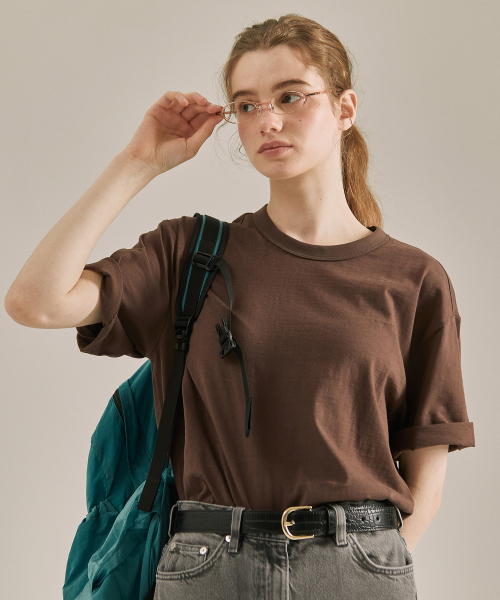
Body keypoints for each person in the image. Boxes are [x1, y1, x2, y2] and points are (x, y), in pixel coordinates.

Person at [5, 13, 475, 600]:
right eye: (247, 105)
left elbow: (426, 478)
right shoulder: (190, 254)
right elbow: (35, 302)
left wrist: (367, 562)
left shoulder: (414, 279)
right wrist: (139, 162)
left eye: (290, 96)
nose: (268, 121)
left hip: (355, 568)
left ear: (345, 108)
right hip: (209, 567)